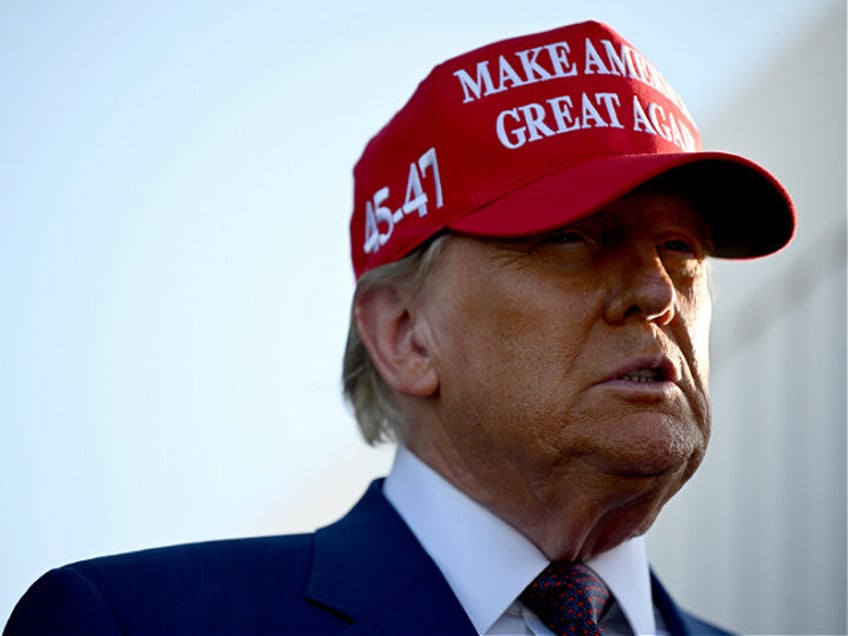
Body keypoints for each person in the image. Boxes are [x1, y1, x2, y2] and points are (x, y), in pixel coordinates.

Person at [4, 20, 794, 636]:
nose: (655, 289)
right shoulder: (129, 623)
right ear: (405, 334)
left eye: (681, 247)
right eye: (571, 238)